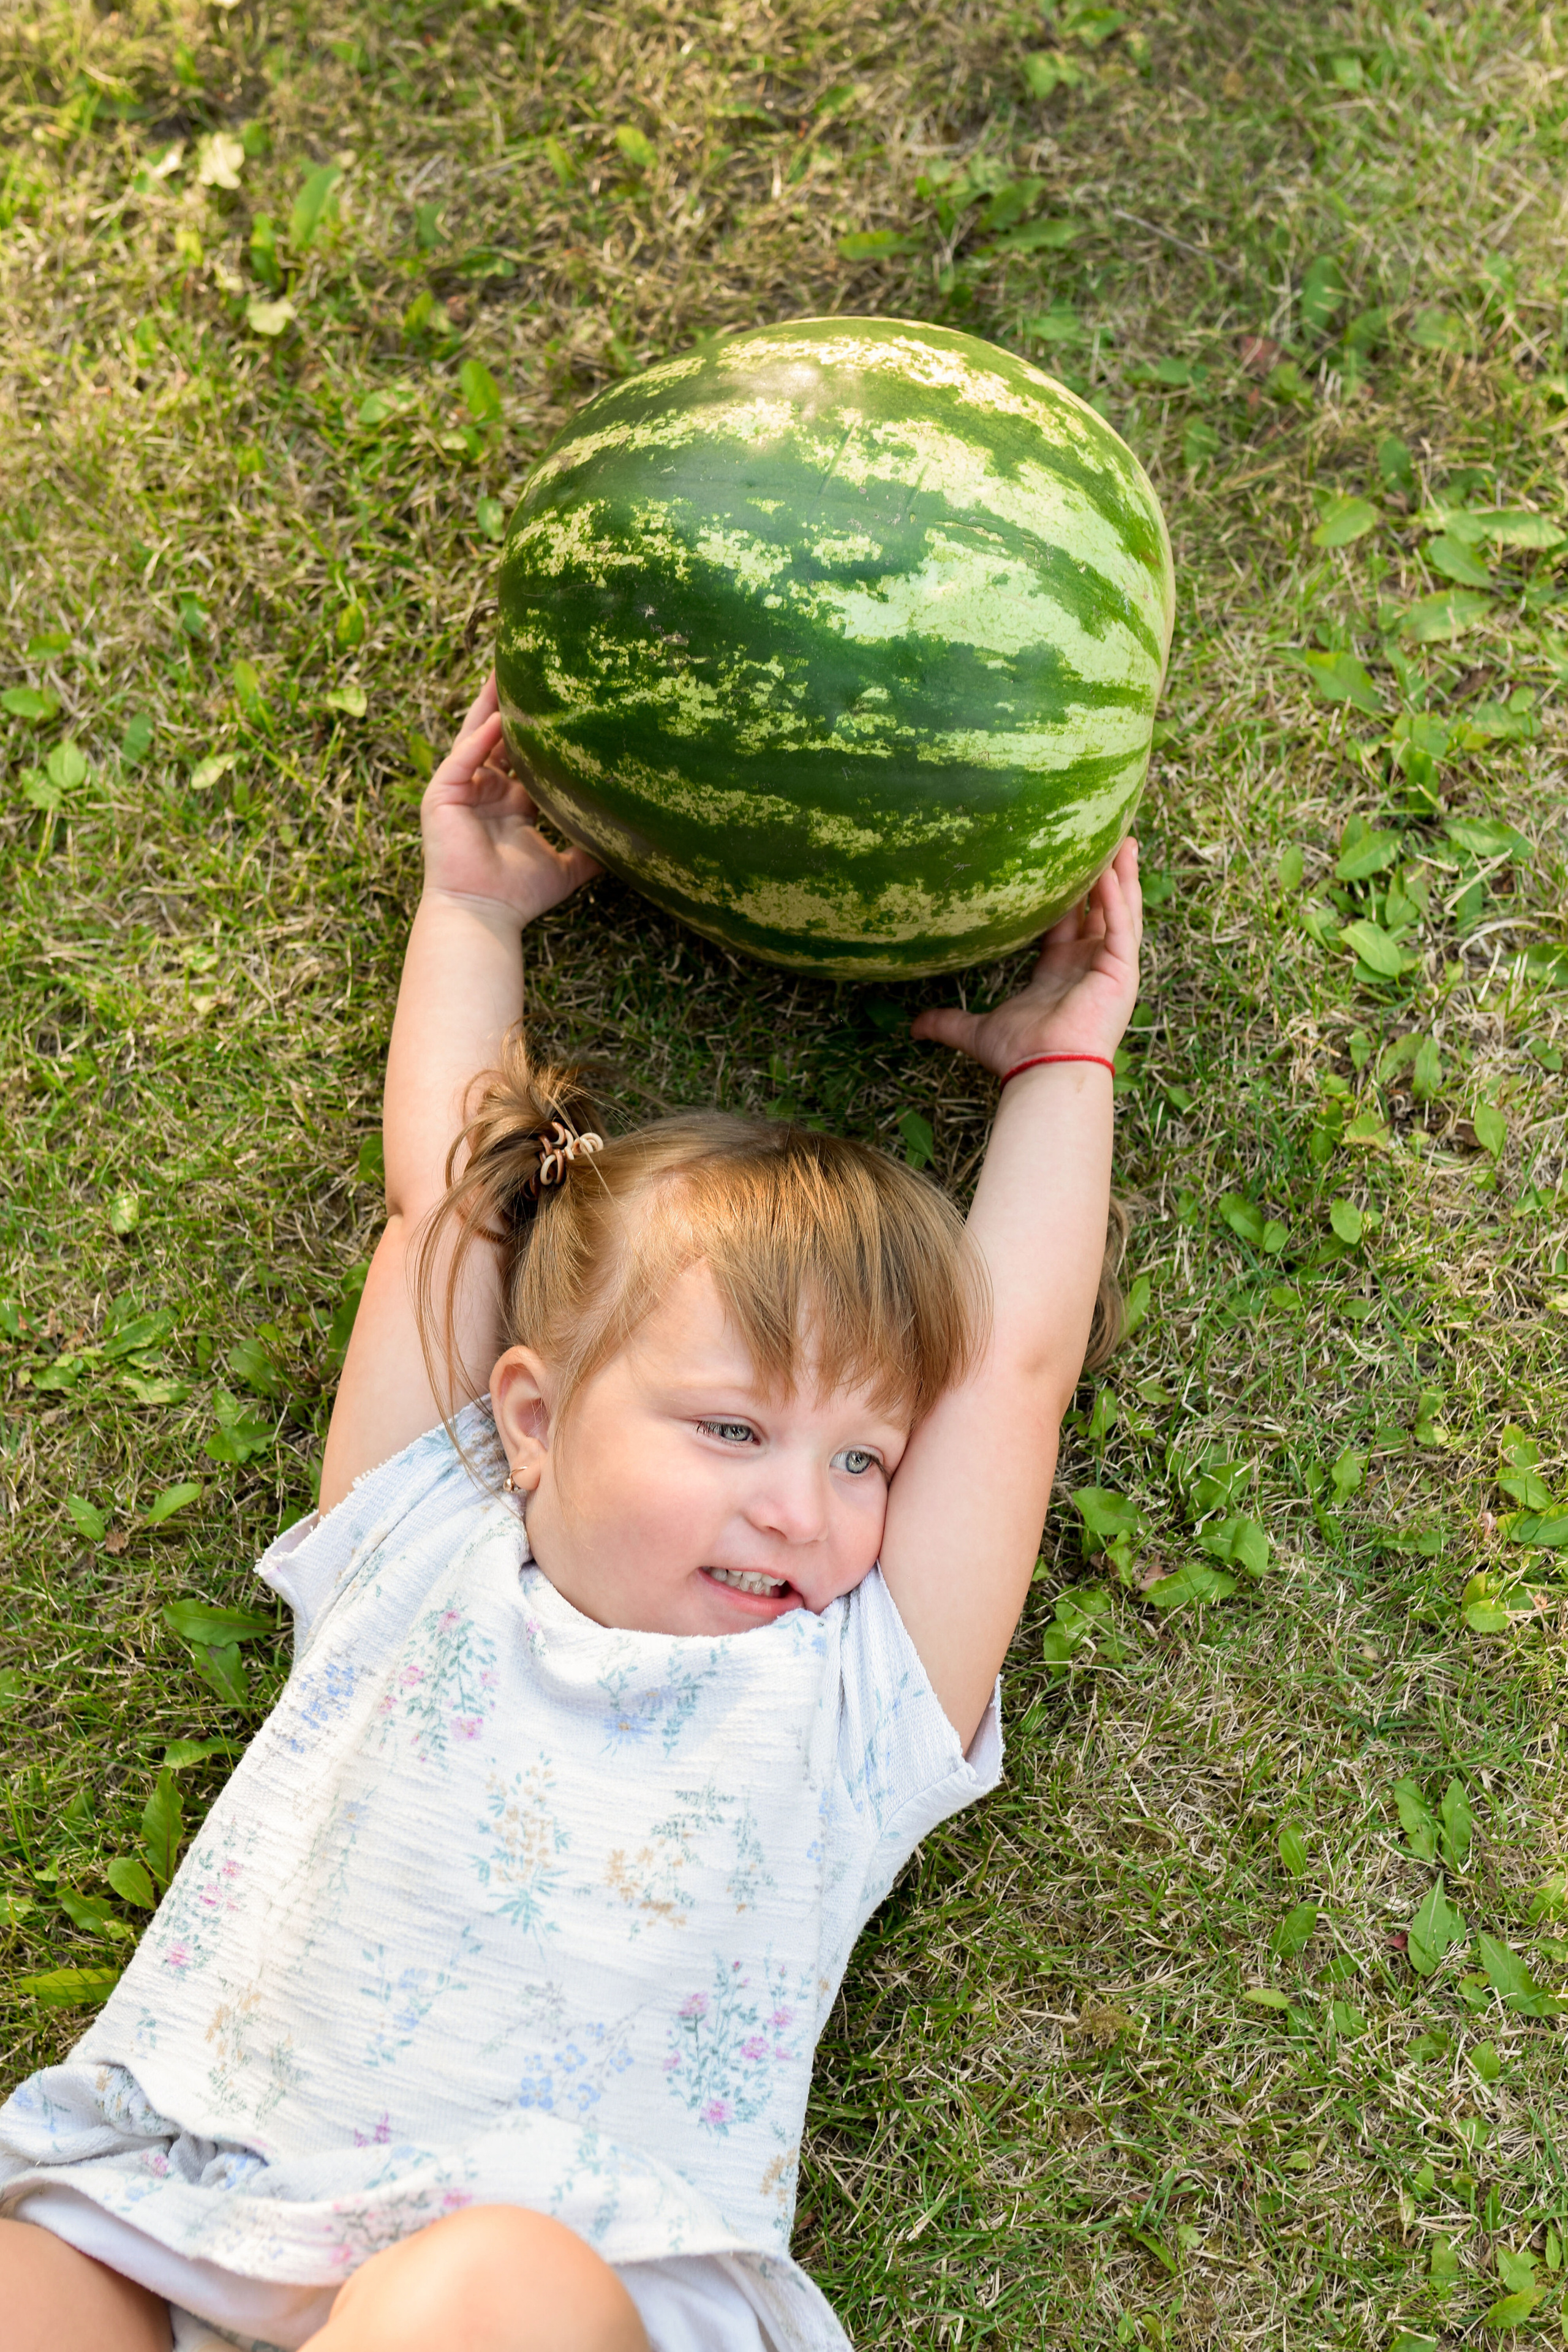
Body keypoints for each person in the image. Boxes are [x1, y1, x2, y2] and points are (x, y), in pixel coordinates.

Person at [0, 675, 1142, 2352]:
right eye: (737, 1425)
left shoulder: (850, 1699)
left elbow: (1012, 1372)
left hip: (565, 2288)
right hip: (190, 2206)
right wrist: (470, 909)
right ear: (528, 1420)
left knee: (480, 2289)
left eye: (861, 1461)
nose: (802, 1510)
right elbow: (441, 1204)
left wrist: (1064, 1062)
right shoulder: (420, 1547)